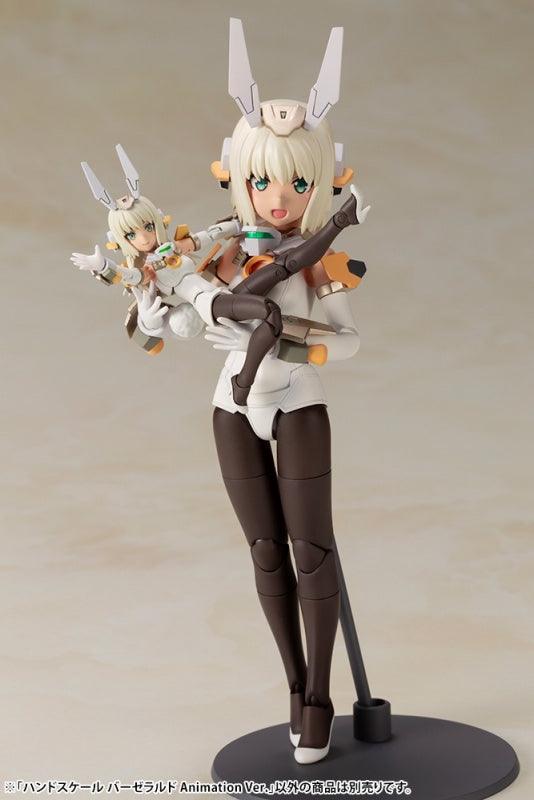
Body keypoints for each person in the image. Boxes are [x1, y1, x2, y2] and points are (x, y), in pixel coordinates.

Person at [136, 19, 370, 764]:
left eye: (297, 182)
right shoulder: (221, 251)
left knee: (312, 552)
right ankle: (294, 686)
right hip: (231, 409)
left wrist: (292, 340)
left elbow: (351, 340)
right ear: (237, 175)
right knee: (266, 553)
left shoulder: (318, 262)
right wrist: (157, 303)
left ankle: (322, 697)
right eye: (262, 180)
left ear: (321, 180)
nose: (277, 198)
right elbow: (175, 318)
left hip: (297, 401)